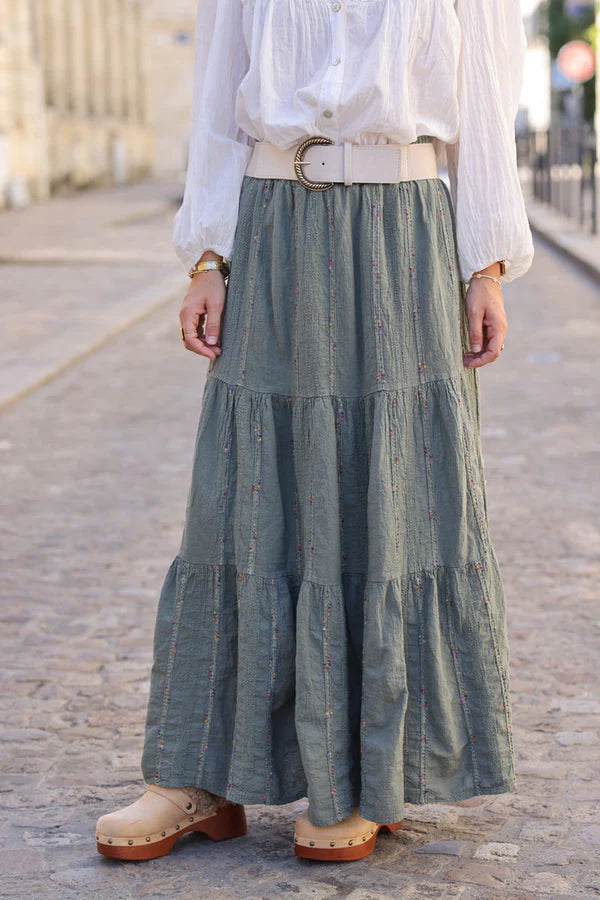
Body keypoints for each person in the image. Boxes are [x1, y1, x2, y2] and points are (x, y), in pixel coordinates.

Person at [95, 0, 534, 864]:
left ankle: (370, 776)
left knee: (390, 498)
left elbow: (485, 100)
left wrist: (484, 261)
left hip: (403, 232)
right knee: (236, 499)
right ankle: (196, 775)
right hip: (268, 230)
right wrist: (208, 256)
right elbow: (218, 97)